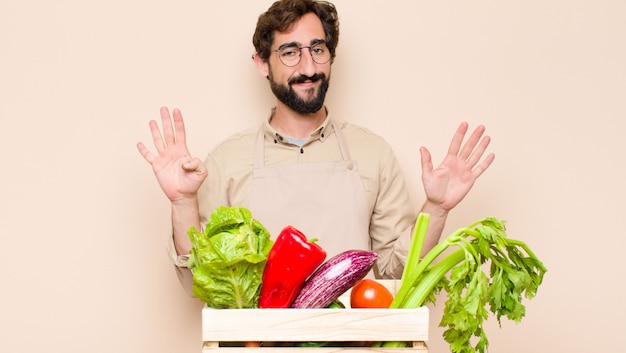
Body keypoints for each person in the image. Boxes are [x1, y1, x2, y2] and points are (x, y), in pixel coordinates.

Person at [137, 0, 495, 295]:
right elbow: (200, 282)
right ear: (262, 63)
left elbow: (394, 274)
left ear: (331, 56)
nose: (308, 67)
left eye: (317, 49)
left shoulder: (373, 154)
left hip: (357, 349)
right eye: (290, 52)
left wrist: (436, 208)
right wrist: (183, 203)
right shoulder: (226, 161)